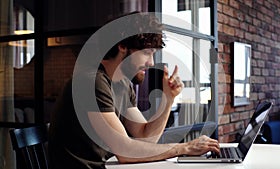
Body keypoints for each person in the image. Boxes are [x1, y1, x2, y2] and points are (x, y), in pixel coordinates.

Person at [48, 12, 220, 169]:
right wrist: (186, 147)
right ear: (122, 46)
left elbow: (145, 137)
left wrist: (168, 99)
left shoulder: (123, 84)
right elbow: (125, 151)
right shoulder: (91, 81)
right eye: (147, 52)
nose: (151, 63)